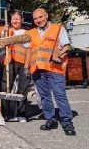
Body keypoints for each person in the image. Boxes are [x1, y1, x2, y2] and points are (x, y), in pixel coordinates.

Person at [28, 8, 76, 136]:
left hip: (55, 68)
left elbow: (67, 45)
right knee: (44, 96)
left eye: (40, 17)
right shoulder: (31, 33)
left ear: (47, 16)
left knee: (59, 95)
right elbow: (28, 49)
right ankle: (51, 120)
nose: (38, 20)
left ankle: (67, 122)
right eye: (35, 18)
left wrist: (59, 55)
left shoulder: (58, 28)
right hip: (38, 69)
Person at [1, 11, 31, 122]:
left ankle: (21, 113)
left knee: (22, 88)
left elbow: (29, 49)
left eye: (17, 19)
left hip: (23, 63)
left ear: (22, 20)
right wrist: (5, 32)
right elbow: (1, 42)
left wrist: (27, 65)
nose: (15, 21)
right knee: (6, 87)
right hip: (9, 63)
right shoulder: (7, 31)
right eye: (13, 19)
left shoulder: (26, 33)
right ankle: (5, 113)